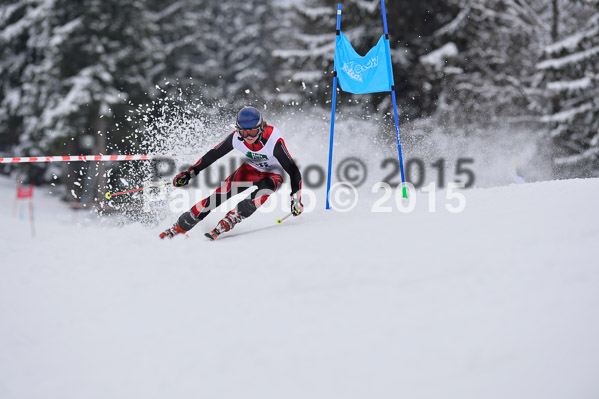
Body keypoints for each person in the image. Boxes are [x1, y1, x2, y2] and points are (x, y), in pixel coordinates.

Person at [160, 106, 303, 240]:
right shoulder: (236, 138)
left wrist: (296, 199)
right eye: (243, 132)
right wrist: (190, 173)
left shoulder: (272, 139)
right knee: (218, 196)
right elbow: (213, 155)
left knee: (264, 188)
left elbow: (293, 170)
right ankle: (179, 228)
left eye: (252, 132)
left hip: (274, 174)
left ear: (260, 128)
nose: (248, 136)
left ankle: (234, 216)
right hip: (250, 170)